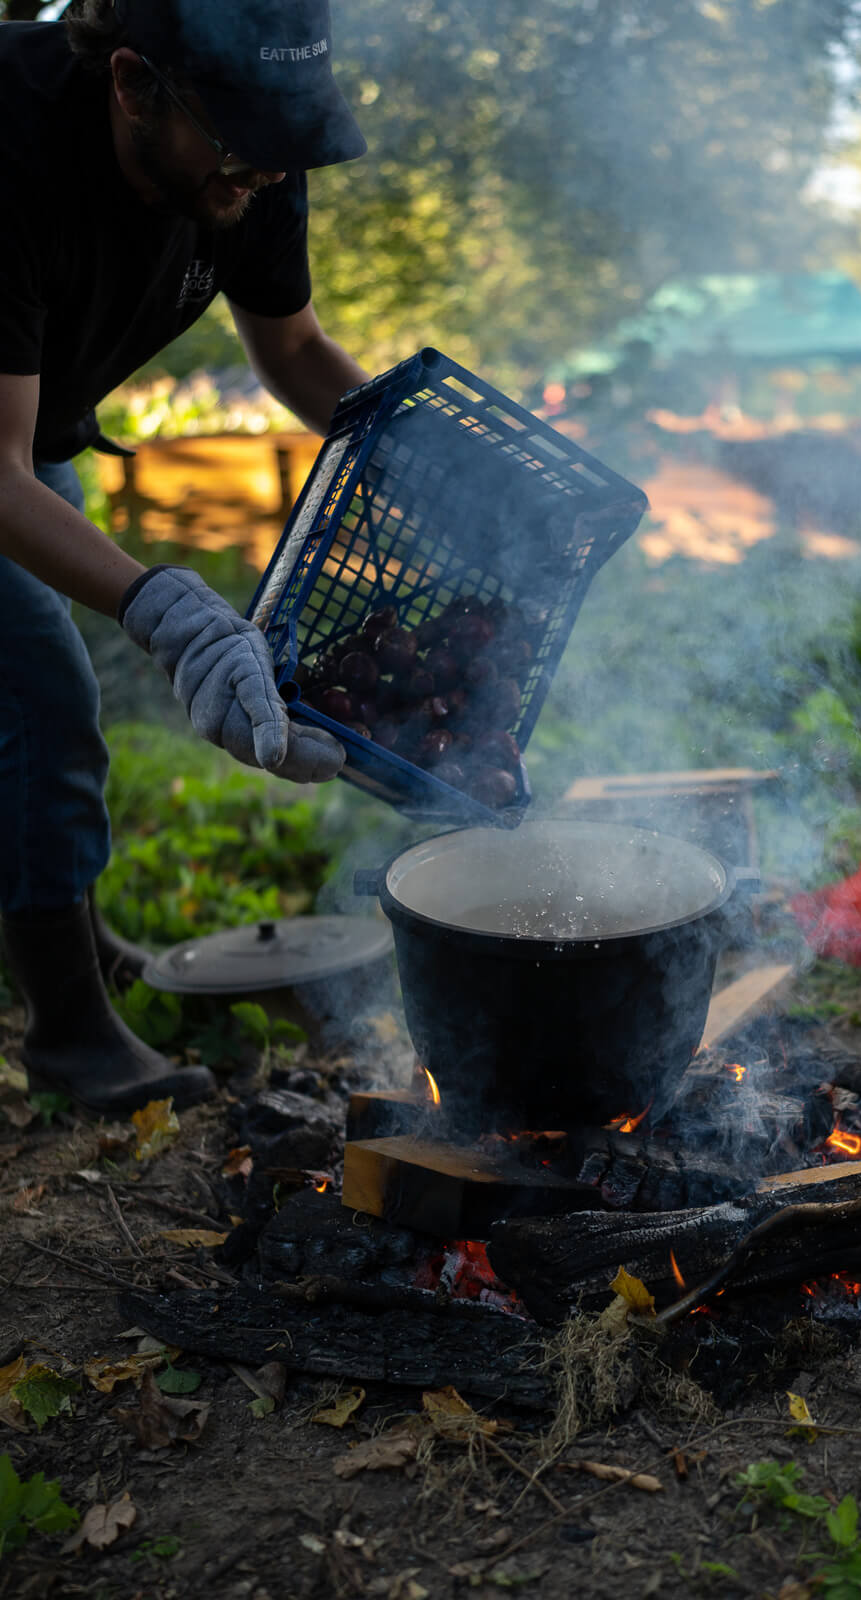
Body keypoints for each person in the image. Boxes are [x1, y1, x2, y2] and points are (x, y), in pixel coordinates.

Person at [0, 0, 375, 1115]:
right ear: (130, 83)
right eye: (239, 140)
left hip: (26, 426)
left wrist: (422, 455)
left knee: (29, 708)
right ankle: (69, 1033)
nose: (262, 173)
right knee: (41, 692)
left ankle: (64, 934)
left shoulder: (251, 150)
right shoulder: (13, 144)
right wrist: (164, 605)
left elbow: (297, 350)